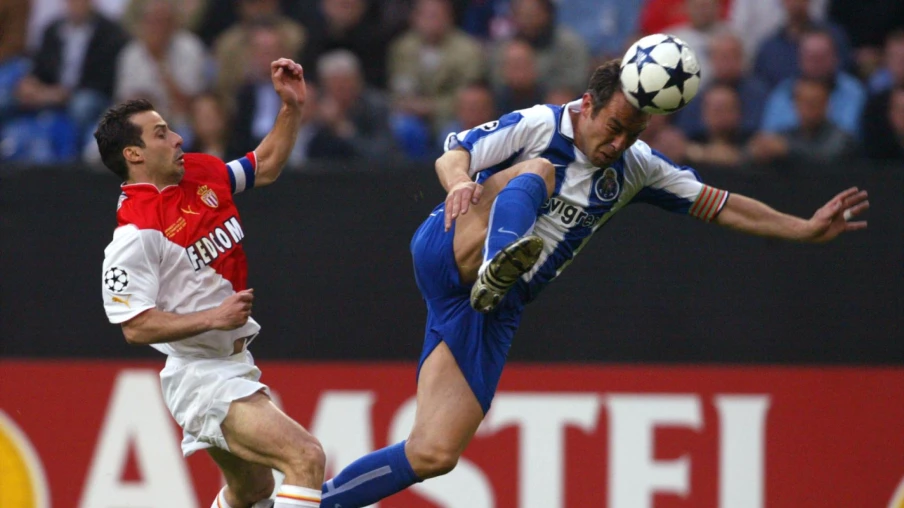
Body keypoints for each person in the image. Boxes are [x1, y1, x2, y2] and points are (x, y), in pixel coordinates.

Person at [319, 59, 869, 507]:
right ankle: (499, 257)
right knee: (538, 170)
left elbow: (719, 204)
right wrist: (461, 181)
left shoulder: (638, 167)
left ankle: (311, 505)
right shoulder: (543, 123)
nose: (619, 142)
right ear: (588, 106)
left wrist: (802, 228)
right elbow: (455, 151)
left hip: (494, 304)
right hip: (454, 243)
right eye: (613, 127)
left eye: (633, 133)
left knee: (433, 453)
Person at [97, 58, 325, 508]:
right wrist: (213, 317)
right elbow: (135, 327)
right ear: (134, 155)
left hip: (235, 363)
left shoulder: (199, 173)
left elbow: (265, 165)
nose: (177, 138)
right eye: (161, 133)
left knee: (252, 490)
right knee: (306, 457)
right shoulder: (136, 232)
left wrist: (291, 107)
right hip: (199, 376)